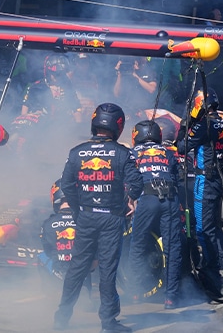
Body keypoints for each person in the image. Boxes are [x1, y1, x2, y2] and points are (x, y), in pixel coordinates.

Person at [53, 103, 142, 333]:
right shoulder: (123, 153)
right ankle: (108, 323)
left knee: (77, 268)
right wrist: (129, 201)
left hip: (86, 217)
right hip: (112, 219)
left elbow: (66, 185)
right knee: (107, 270)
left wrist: (77, 207)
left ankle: (61, 318)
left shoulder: (76, 152)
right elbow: (137, 184)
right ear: (118, 126)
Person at [175, 88, 223, 303]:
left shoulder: (204, 125)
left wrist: (187, 123)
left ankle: (210, 271)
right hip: (220, 180)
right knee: (215, 226)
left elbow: (181, 147)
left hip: (206, 181)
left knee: (202, 228)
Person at [128, 120, 182, 309]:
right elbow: (176, 177)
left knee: (137, 244)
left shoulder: (132, 153)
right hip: (170, 198)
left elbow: (129, 180)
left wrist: (130, 199)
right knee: (172, 248)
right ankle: (171, 297)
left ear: (136, 136)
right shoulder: (169, 152)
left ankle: (135, 291)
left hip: (147, 199)